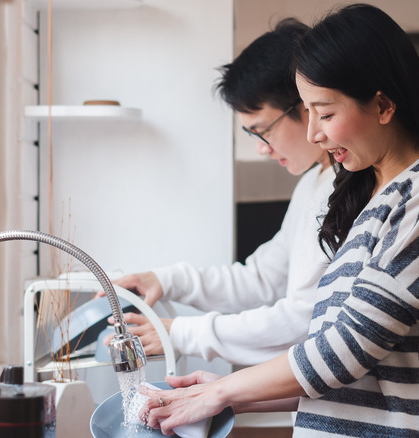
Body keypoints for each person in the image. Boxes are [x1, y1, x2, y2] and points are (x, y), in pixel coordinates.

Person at [140, 4, 419, 437]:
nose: (314, 134)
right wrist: (230, 391)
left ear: (382, 105)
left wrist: (226, 389)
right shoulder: (366, 196)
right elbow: (356, 376)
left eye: (324, 114)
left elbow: (348, 349)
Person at [105, 18, 335, 366]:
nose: (262, 148)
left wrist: (181, 333)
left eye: (263, 131)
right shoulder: (313, 184)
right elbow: (260, 280)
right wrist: (166, 280)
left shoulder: (351, 192)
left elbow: (302, 320)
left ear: (306, 105)